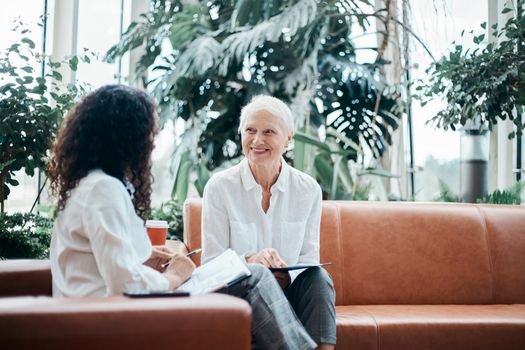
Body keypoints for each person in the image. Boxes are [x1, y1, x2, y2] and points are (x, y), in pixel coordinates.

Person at [202, 95, 336, 349]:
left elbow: (308, 259)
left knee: (319, 278)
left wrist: (284, 278)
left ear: (288, 138)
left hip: (288, 291)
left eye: (269, 132)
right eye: (250, 130)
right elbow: (211, 264)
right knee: (257, 274)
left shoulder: (308, 190)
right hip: (240, 294)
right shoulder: (219, 188)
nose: (257, 140)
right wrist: (251, 261)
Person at [48, 84, 195, 297]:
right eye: (149, 133)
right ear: (128, 137)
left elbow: (95, 257)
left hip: (92, 312)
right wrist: (175, 276)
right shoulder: (103, 189)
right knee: (247, 281)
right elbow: (127, 285)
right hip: (102, 320)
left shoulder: (90, 184)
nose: (152, 144)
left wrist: (142, 255)